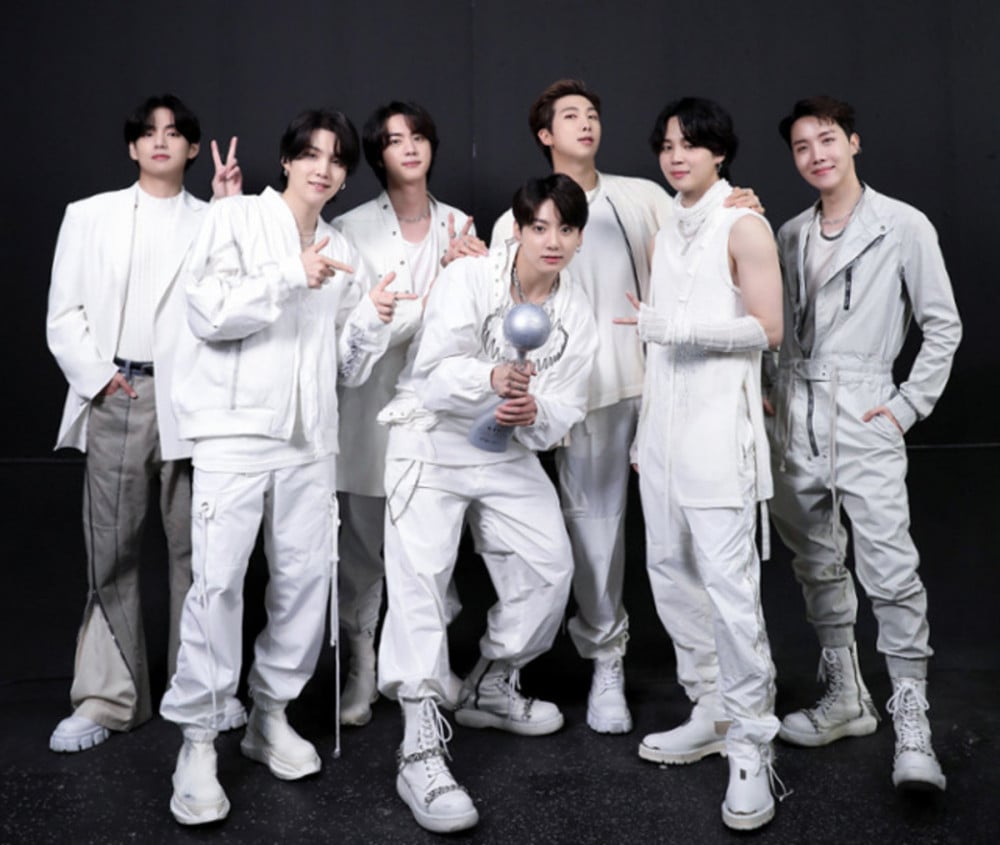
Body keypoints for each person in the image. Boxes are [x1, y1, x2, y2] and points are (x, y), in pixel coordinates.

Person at [158, 108, 404, 826]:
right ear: (288, 160)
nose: (324, 168)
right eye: (311, 154)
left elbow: (347, 368)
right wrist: (291, 276)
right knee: (218, 583)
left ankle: (269, 715)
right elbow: (208, 314)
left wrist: (373, 318)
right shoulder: (235, 219)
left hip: (309, 442)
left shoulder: (341, 247)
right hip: (235, 433)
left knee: (303, 583)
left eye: (337, 159)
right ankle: (199, 741)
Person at [491, 80, 758, 734]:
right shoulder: (515, 219)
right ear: (545, 134)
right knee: (596, 532)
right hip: (580, 397)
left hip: (665, 384)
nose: (586, 123)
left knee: (690, 539)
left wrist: (738, 204)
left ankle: (723, 691)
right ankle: (606, 660)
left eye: (592, 114)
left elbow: (707, 240)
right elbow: (502, 304)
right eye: (569, 116)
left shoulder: (643, 196)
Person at [378, 174, 597, 833]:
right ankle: (419, 744)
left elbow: (566, 406)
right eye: (540, 227)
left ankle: (488, 684)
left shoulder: (578, 313)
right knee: (419, 583)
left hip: (505, 447)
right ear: (518, 230)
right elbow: (431, 374)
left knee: (551, 568)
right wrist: (492, 377)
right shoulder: (470, 278)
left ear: (578, 237)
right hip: (431, 436)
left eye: (566, 229)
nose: (552, 241)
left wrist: (534, 412)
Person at [767, 96, 961, 792]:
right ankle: (847, 696)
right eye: (801, 146)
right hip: (795, 414)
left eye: (827, 140)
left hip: (865, 411)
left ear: (853, 141)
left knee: (891, 571)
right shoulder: (789, 232)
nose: (816, 155)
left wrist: (906, 407)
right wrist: (767, 390)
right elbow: (774, 323)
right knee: (816, 563)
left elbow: (942, 325)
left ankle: (912, 723)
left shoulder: (902, 225)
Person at [46, 94, 244, 754]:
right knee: (112, 549)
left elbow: (234, 305)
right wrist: (101, 378)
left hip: (193, 400)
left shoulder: (214, 218)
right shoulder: (89, 216)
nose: (161, 140)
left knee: (199, 550)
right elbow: (63, 314)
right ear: (133, 147)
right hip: (119, 392)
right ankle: (108, 697)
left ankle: (202, 692)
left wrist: (229, 211)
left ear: (191, 148)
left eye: (175, 132)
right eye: (149, 132)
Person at [617, 97, 784, 830]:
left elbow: (768, 328)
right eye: (666, 145)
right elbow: (655, 347)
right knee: (669, 572)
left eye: (690, 144)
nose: (676, 156)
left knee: (729, 588)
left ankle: (751, 741)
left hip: (720, 434)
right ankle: (711, 709)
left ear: (720, 152)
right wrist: (642, 434)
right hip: (663, 435)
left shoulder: (743, 223)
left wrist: (677, 326)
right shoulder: (664, 234)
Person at [331, 101, 487, 726]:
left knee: (433, 547)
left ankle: (429, 666)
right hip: (369, 411)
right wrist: (431, 296)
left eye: (419, 135)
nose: (411, 147)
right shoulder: (349, 229)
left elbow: (476, 325)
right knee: (363, 549)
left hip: (439, 413)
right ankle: (362, 666)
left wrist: (469, 273)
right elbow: (352, 336)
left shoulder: (459, 224)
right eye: (396, 140)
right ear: (379, 154)